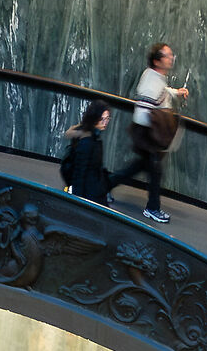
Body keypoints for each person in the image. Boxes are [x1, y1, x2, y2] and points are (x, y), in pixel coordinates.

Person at [112, 42, 187, 224]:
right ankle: (152, 208)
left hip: (148, 135)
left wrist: (175, 92)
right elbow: (141, 114)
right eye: (168, 56)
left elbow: (160, 91)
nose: (172, 59)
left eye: (171, 55)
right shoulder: (152, 82)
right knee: (154, 171)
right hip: (149, 136)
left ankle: (104, 186)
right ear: (157, 61)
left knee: (137, 168)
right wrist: (159, 125)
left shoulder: (154, 76)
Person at [61, 103, 115, 205]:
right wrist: (79, 202)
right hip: (90, 194)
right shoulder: (87, 142)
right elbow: (79, 175)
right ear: (94, 118)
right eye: (101, 119)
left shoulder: (93, 137)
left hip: (95, 189)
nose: (105, 122)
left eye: (107, 118)